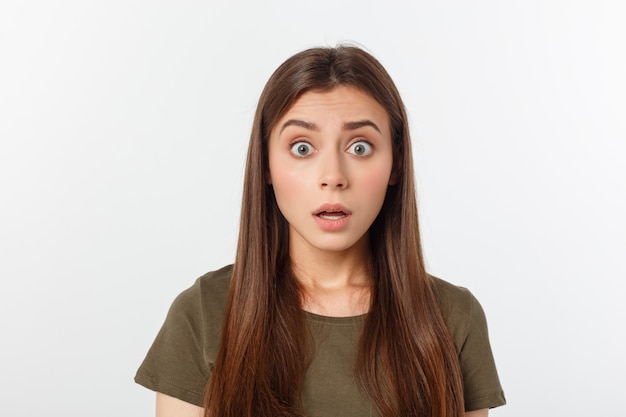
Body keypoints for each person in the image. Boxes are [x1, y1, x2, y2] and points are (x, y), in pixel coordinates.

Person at [135, 45, 506, 417]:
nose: (333, 177)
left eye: (360, 147)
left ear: (395, 164)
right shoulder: (203, 313)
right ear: (265, 164)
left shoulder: (452, 318)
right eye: (302, 148)